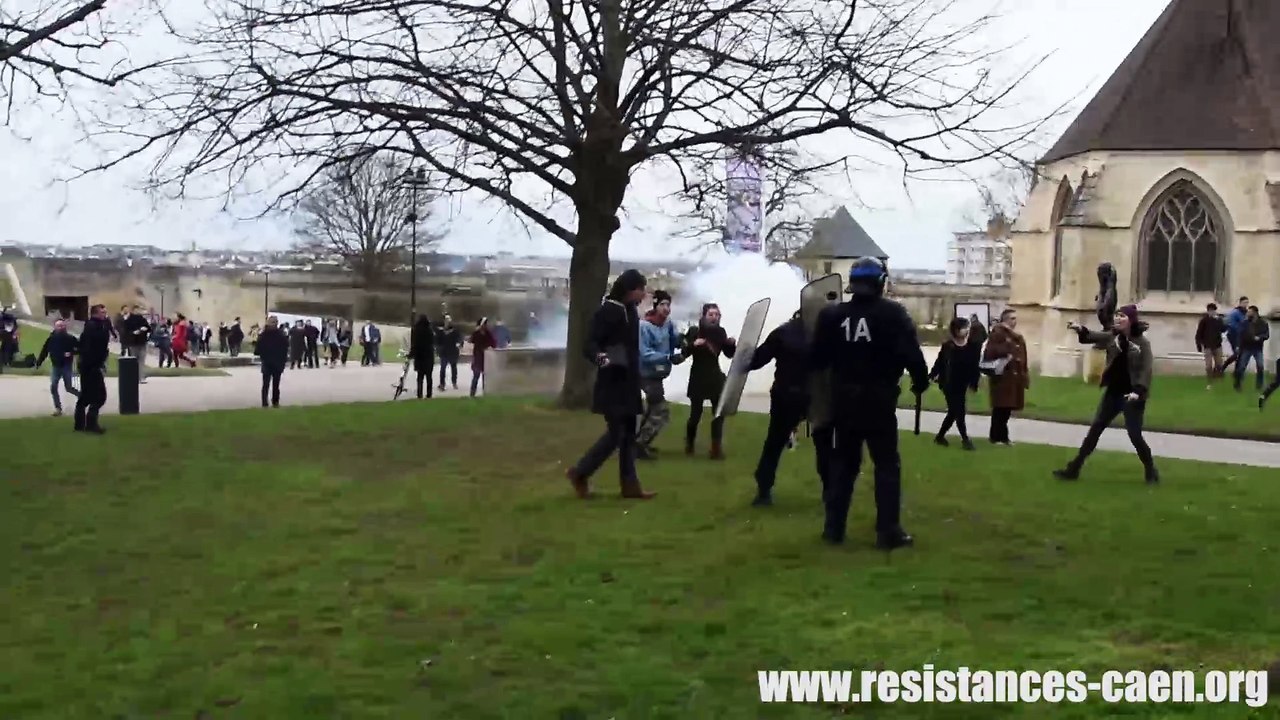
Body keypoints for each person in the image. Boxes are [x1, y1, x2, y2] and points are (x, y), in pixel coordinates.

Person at [810, 257, 928, 549]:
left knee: (843, 465)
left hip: (844, 400)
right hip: (879, 400)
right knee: (887, 465)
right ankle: (888, 531)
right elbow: (913, 356)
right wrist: (920, 381)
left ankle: (833, 528)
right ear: (880, 282)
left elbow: (817, 359)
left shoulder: (831, 316)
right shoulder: (893, 314)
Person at [565, 269, 656, 500]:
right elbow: (590, 344)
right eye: (640, 289)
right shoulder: (607, 312)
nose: (643, 294)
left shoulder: (631, 312)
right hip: (612, 382)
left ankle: (630, 485)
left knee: (628, 436)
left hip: (629, 382)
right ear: (629, 289)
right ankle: (580, 472)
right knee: (616, 434)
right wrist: (601, 358)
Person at [1054, 305, 1159, 484]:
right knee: (1095, 430)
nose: (1118, 318)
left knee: (1134, 435)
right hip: (1114, 392)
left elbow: (1146, 368)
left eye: (1122, 316)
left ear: (1131, 320)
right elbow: (1093, 336)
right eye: (1117, 315)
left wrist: (1139, 390)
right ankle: (1074, 469)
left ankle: (1151, 470)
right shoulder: (1113, 337)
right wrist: (1080, 329)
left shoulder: (1142, 343)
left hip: (1132, 395)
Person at [746, 309, 810, 506]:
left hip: (786, 395)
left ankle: (763, 490)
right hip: (811, 395)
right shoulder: (825, 333)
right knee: (828, 443)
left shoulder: (782, 333)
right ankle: (831, 490)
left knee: (774, 443)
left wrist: (739, 350)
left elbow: (756, 360)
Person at [635, 290, 684, 460]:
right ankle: (640, 444)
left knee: (652, 408)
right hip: (645, 373)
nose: (666, 308)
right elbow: (645, 353)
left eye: (668, 305)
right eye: (662, 304)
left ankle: (639, 443)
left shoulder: (668, 324)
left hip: (658, 374)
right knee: (660, 411)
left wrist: (685, 338)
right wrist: (668, 357)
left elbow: (674, 340)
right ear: (655, 306)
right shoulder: (644, 326)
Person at [684, 303, 737, 459]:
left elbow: (728, 354)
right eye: (711, 314)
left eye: (717, 315)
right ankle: (690, 444)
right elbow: (685, 351)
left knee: (718, 413)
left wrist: (730, 344)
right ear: (704, 316)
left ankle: (716, 448)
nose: (714, 317)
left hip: (714, 375)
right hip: (698, 375)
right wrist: (694, 344)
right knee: (695, 414)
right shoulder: (695, 331)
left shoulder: (720, 332)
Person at [930, 316, 980, 450]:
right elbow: (940, 362)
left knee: (953, 412)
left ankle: (940, 437)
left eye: (967, 328)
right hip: (948, 384)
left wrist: (974, 383)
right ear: (956, 330)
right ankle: (965, 439)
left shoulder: (972, 346)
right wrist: (932, 375)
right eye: (964, 328)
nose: (967, 330)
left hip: (962, 383)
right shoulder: (948, 346)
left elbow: (974, 367)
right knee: (958, 411)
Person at [983, 308, 1029, 445]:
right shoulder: (997, 334)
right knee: (1000, 408)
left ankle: (1003, 437)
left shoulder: (1018, 337)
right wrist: (1006, 349)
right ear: (1005, 320)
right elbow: (990, 353)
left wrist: (1024, 375)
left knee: (1007, 409)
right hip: (1002, 376)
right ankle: (996, 437)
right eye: (1012, 318)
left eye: (1016, 318)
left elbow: (1023, 357)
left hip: (1015, 378)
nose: (1015, 321)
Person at [73, 304, 112, 434]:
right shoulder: (93, 327)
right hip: (90, 366)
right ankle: (91, 423)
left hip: (90, 364)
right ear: (95, 313)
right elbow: (90, 347)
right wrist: (95, 364)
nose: (105, 314)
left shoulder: (97, 325)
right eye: (102, 312)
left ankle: (80, 424)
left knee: (86, 396)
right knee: (99, 396)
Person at [35, 318, 80, 417]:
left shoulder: (70, 338)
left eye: (62, 325)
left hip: (66, 365)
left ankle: (82, 397)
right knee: (53, 386)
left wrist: (71, 353)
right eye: (58, 325)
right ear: (55, 327)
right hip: (56, 366)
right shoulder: (51, 339)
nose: (61, 327)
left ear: (65, 327)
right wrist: (38, 363)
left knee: (68, 387)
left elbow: (80, 348)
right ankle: (58, 408)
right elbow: (44, 351)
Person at [1233, 306, 1269, 392]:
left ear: (1255, 313)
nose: (1248, 313)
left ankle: (1259, 385)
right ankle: (1237, 384)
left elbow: (1266, 335)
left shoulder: (1263, 323)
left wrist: (1259, 337)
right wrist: (1238, 346)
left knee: (1260, 366)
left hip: (1257, 348)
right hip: (1246, 347)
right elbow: (1240, 335)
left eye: (1250, 312)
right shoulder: (1245, 323)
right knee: (1241, 367)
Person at [255, 316, 289, 408]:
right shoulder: (280, 335)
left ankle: (267, 402)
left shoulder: (264, 335)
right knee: (274, 384)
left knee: (268, 384)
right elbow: (285, 349)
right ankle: (273, 402)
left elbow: (257, 350)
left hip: (269, 361)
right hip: (275, 362)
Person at [1195, 302, 1227, 388]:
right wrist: (1199, 345)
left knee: (1219, 364)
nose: (1212, 312)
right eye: (1210, 311)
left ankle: (1218, 379)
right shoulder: (1204, 321)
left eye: (1213, 311)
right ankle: (1210, 382)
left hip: (1217, 345)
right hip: (1207, 346)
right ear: (1208, 311)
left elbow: (1224, 329)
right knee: (1208, 365)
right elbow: (1199, 333)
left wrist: (1220, 321)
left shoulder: (1218, 320)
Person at [120, 304, 152, 383]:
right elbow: (125, 332)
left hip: (142, 342)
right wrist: (133, 332)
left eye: (139, 310)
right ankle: (134, 377)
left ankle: (141, 377)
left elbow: (149, 328)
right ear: (133, 310)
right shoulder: (128, 320)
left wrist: (145, 329)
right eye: (137, 310)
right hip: (133, 343)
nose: (139, 311)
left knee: (141, 361)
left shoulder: (142, 319)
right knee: (134, 361)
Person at [469, 318, 497, 397]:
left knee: (485, 377)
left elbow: (494, 344)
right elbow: (471, 341)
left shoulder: (488, 333)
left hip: (486, 357)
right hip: (478, 357)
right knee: (476, 376)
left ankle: (486, 393)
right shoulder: (476, 333)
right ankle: (472, 393)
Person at [410, 314, 436, 399]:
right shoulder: (430, 331)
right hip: (428, 356)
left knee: (420, 377)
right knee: (429, 376)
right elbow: (432, 342)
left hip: (419, 356)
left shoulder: (416, 330)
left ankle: (419, 393)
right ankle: (429, 394)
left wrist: (411, 354)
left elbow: (414, 344)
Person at [1221, 296, 1249, 373]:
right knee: (1238, 353)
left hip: (1241, 336)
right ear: (1240, 303)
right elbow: (1229, 323)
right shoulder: (1235, 312)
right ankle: (1224, 366)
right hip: (1233, 335)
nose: (1246, 304)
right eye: (1244, 303)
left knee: (1240, 354)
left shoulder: (1246, 312)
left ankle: (1236, 371)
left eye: (1247, 302)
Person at [436, 316, 462, 390]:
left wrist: (459, 344)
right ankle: (442, 383)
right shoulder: (441, 332)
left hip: (452, 352)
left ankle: (454, 382)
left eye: (449, 321)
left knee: (453, 368)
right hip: (444, 352)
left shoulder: (455, 331)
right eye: (446, 321)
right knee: (443, 368)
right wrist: (438, 349)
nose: (447, 323)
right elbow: (438, 342)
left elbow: (459, 340)